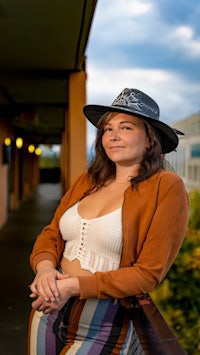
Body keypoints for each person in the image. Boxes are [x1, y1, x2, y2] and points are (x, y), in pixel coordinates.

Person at [28, 88, 189, 355]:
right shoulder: (88, 180)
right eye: (107, 129)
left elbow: (147, 273)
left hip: (101, 321)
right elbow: (51, 234)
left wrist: (71, 286)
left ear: (150, 139)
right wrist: (44, 270)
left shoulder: (166, 186)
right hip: (47, 307)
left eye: (126, 128)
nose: (113, 136)